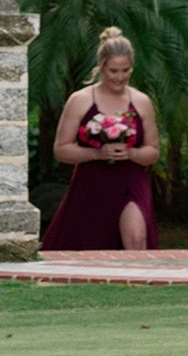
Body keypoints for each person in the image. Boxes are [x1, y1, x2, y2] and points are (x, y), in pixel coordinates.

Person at [41, 26, 161, 251]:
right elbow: (61, 149)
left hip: (131, 180)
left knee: (136, 236)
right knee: (88, 244)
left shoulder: (142, 101)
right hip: (92, 182)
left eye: (125, 70)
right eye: (113, 71)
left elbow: (153, 151)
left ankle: (141, 283)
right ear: (101, 67)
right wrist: (96, 153)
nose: (120, 77)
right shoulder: (80, 100)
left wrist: (132, 153)